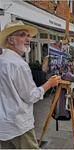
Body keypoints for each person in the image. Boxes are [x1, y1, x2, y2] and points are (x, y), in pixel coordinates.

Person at [0, 21, 61, 149]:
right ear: (10, 40)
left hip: (3, 125)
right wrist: (49, 83)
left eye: (28, 35)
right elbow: (31, 96)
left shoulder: (3, 60)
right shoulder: (18, 64)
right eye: (23, 35)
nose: (29, 39)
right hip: (18, 124)